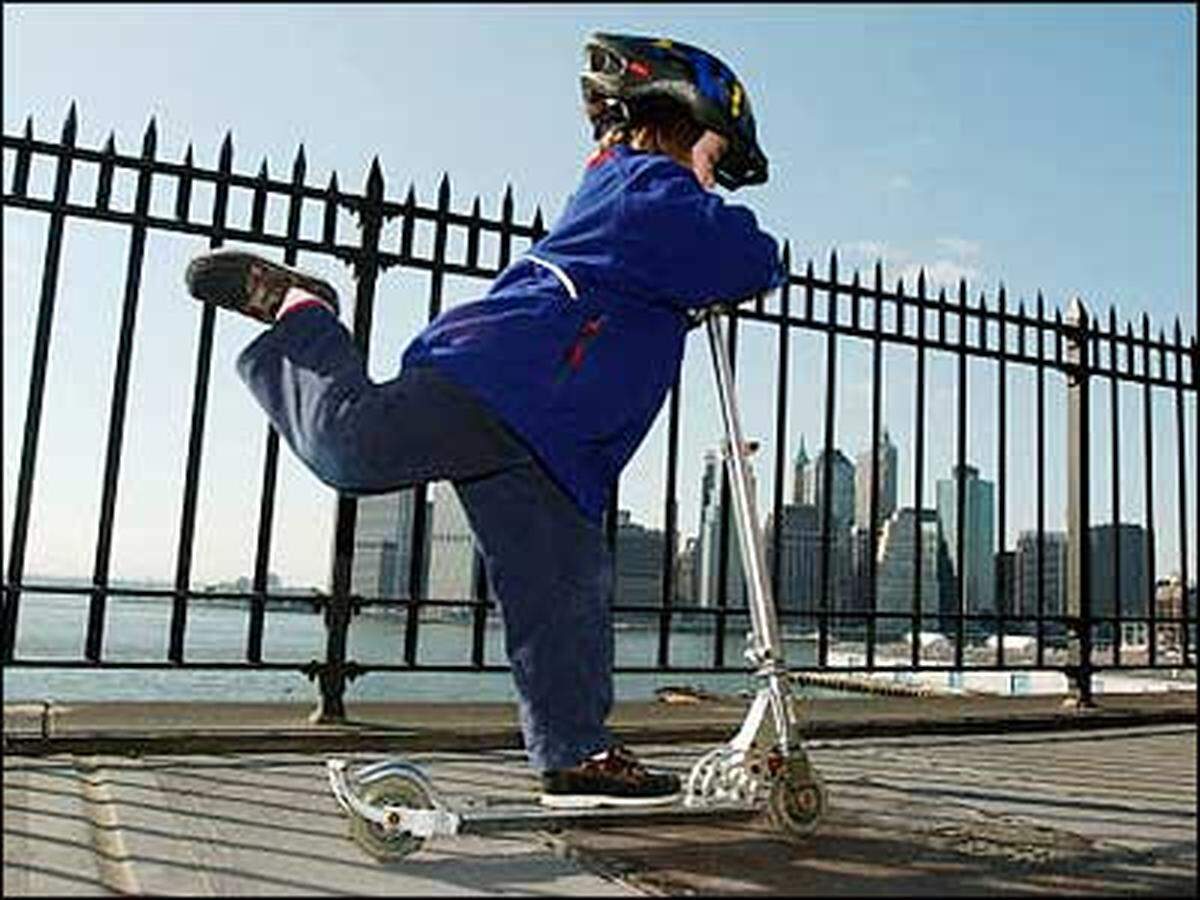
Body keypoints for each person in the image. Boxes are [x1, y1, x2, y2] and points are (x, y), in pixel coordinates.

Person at [185, 32, 784, 808]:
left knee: (563, 596)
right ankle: (307, 312)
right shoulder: (642, 188)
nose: (715, 176)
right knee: (354, 447)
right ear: (674, 119)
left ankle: (579, 756)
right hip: (503, 384)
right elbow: (744, 257)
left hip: (559, 445)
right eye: (712, 151)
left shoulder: (635, 192)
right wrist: (742, 233)